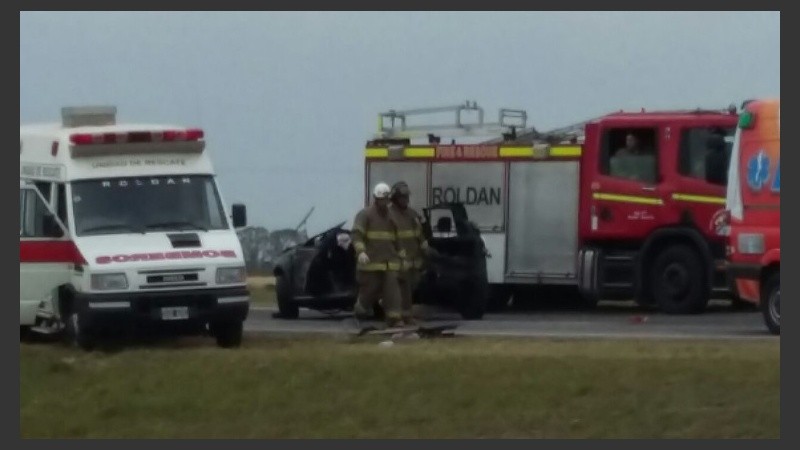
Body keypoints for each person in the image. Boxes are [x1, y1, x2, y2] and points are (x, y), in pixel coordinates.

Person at [351, 182, 404, 327]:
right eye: (382, 199)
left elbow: (397, 237)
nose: (384, 202)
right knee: (369, 291)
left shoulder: (392, 216)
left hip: (389, 262)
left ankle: (394, 319)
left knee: (393, 291)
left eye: (386, 199)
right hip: (370, 263)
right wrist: (361, 252)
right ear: (376, 199)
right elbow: (356, 235)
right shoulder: (365, 215)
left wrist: (401, 254)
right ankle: (360, 311)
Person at [388, 181, 429, 326]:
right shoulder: (389, 215)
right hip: (397, 259)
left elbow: (419, 233)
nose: (406, 200)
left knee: (407, 289)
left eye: (406, 197)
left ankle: (407, 316)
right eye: (402, 198)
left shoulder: (412, 214)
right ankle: (395, 318)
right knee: (395, 290)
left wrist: (424, 246)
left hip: (412, 259)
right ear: (394, 198)